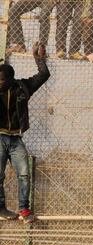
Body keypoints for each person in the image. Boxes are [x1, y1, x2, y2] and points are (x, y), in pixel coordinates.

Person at [0, 42, 50, 223]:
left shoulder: (23, 87)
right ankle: (1, 208)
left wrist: (38, 58)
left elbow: (44, 75)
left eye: (2, 80)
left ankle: (24, 209)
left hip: (15, 138)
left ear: (11, 79)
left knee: (24, 174)